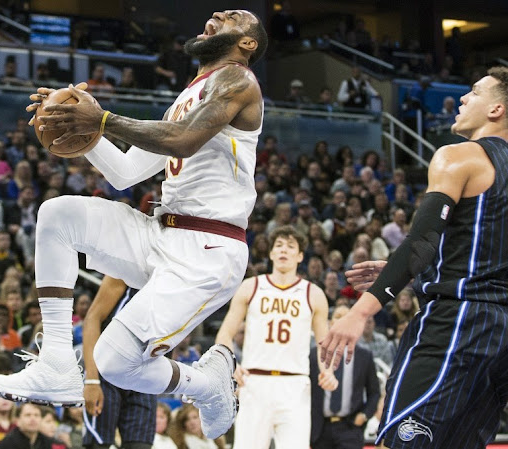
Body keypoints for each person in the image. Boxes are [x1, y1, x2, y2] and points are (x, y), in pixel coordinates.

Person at [0, 9, 267, 440]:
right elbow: (124, 174)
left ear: (246, 43)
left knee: (115, 362)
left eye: (230, 17)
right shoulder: (190, 93)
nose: (215, 13)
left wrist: (100, 121)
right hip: (161, 232)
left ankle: (207, 385)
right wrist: (80, 131)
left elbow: (183, 140)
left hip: (208, 249)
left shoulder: (238, 81)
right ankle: (58, 362)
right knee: (57, 215)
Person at [321, 67, 508, 448]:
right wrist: (410, 273)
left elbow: (421, 240)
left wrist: (359, 313)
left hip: (457, 324)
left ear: (497, 109)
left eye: (474, 93)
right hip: (500, 336)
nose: (462, 99)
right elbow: (479, 244)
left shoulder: (459, 157)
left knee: (402, 442)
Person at [215, 225, 337, 449]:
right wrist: (230, 363)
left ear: (300, 256)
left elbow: (324, 343)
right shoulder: (251, 287)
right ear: (270, 253)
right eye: (279, 245)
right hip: (254, 382)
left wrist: (327, 371)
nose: (284, 250)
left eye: (291, 246)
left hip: (295, 384)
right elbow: (224, 334)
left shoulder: (314, 294)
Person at [82, 276, 156, 449]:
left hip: (144, 374)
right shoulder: (129, 267)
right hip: (108, 370)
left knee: (141, 445)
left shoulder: (180, 279)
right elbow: (92, 319)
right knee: (98, 445)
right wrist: (92, 380)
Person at [310, 305, 380, 449]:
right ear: (330, 323)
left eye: (346, 317)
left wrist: (364, 416)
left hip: (350, 427)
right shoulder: (314, 354)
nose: (342, 321)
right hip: (320, 428)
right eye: (338, 316)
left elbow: (374, 392)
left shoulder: (364, 356)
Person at [0, 403, 66, 449]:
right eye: (28, 415)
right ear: (17, 421)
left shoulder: (48, 442)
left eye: (36, 415)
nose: (33, 419)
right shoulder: (8, 444)